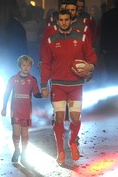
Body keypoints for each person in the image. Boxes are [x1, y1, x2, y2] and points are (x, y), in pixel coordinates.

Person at [40, 9, 97, 165]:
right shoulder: (51, 40)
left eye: (67, 19)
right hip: (57, 84)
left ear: (71, 21)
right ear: (57, 21)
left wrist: (90, 67)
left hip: (76, 85)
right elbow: (46, 63)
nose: (64, 22)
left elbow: (91, 56)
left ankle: (72, 141)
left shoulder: (82, 37)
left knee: (75, 118)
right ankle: (60, 151)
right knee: (59, 118)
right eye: (61, 20)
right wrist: (44, 84)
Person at [1, 55, 42, 166]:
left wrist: (43, 94)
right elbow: (6, 94)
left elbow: (36, 94)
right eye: (23, 65)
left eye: (28, 65)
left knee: (24, 134)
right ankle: (17, 150)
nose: (26, 67)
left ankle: (24, 153)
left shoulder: (32, 79)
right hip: (15, 110)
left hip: (26, 110)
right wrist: (4, 108)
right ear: (20, 66)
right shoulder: (13, 79)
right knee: (16, 133)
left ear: (30, 66)